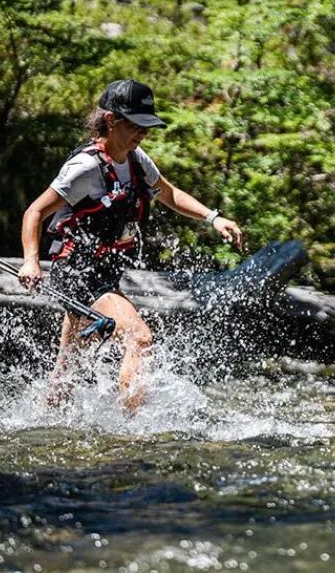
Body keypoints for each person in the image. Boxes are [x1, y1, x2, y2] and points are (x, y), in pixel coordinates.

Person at [17, 79, 243, 409]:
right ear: (111, 120)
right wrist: (30, 261)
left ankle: (40, 421)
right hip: (79, 273)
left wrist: (213, 218)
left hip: (106, 273)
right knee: (140, 337)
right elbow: (34, 212)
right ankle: (131, 427)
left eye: (147, 126)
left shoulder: (136, 160)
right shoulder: (85, 168)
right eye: (136, 125)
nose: (143, 133)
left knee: (66, 375)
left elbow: (169, 194)